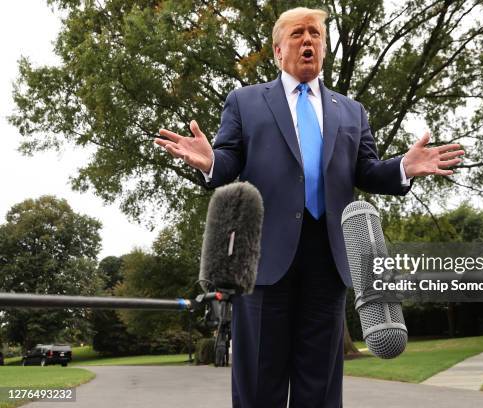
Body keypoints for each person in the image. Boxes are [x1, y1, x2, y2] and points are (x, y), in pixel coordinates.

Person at [155, 7, 464, 407]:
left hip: (329, 261)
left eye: (316, 34)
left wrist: (403, 167)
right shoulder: (245, 102)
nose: (308, 41)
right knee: (258, 385)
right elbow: (228, 159)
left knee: (319, 386)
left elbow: (366, 171)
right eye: (298, 34)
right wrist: (210, 160)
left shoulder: (351, 111)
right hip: (264, 260)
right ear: (278, 50)